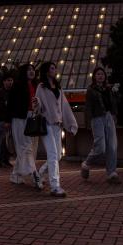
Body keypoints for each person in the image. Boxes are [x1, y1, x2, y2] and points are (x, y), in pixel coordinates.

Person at [35, 62, 78, 197]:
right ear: (46, 71)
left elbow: (64, 107)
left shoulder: (58, 87)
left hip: (57, 126)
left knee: (58, 155)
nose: (55, 70)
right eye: (52, 68)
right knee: (53, 155)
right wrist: (37, 104)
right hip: (47, 124)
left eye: (55, 68)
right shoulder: (41, 87)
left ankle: (39, 174)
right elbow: (38, 104)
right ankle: (55, 186)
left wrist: (71, 124)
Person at [81, 67, 121, 183]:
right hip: (97, 118)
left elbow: (116, 102)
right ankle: (86, 163)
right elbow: (88, 107)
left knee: (112, 145)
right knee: (100, 147)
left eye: (102, 74)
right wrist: (88, 122)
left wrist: (115, 93)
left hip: (109, 116)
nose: (100, 76)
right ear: (94, 76)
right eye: (98, 74)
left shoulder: (109, 89)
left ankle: (111, 172)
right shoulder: (91, 90)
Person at [8, 63, 42, 188]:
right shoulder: (17, 85)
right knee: (25, 146)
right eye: (28, 70)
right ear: (23, 72)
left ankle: (16, 175)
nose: (31, 71)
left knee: (31, 146)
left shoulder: (36, 85)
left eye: (33, 69)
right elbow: (11, 104)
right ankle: (34, 174)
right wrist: (7, 121)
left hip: (32, 118)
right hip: (19, 119)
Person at [0, 72, 14, 168]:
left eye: (11, 80)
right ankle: (1, 160)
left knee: (9, 141)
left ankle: (6, 159)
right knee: (4, 140)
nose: (10, 82)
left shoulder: (13, 93)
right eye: (8, 80)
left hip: (12, 120)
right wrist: (0, 120)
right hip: (2, 120)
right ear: (4, 82)